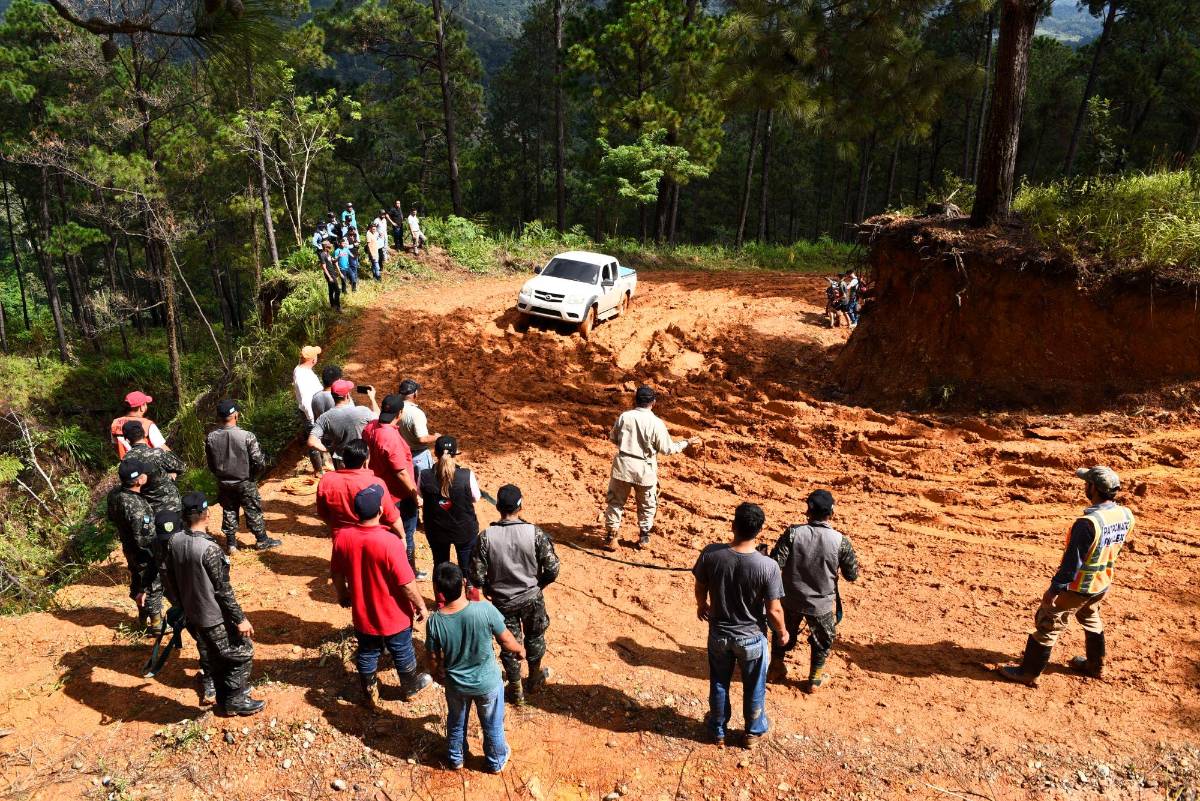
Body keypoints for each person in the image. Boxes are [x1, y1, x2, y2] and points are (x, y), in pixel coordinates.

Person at [999, 466, 1135, 686]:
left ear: (1094, 488)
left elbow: (1072, 564)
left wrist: (1053, 590)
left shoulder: (1087, 524)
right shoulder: (1125, 515)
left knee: (1048, 623)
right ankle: (1095, 665)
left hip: (1078, 587)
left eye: (1087, 483)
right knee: (1091, 617)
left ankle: (1028, 673)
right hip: (1102, 583)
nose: (1084, 486)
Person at [158, 492, 265, 716]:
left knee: (213, 655)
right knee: (242, 653)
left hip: (191, 613)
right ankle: (236, 698)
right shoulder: (210, 549)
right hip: (213, 615)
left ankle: (224, 698)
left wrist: (179, 603)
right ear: (207, 515)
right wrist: (241, 619)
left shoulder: (174, 541)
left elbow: (167, 576)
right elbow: (223, 590)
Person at [692, 502, 788, 748]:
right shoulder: (768, 566)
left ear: (733, 526)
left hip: (719, 635)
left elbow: (700, 584)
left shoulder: (711, 554)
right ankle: (752, 732)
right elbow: (774, 609)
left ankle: (717, 730)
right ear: (759, 531)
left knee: (719, 681)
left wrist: (702, 604)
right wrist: (782, 631)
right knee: (754, 685)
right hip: (752, 638)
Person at [332, 484, 433, 710]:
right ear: (380, 510)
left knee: (367, 652)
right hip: (393, 614)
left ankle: (369, 691)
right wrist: (421, 606)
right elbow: (406, 584)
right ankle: (410, 687)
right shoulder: (390, 542)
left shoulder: (342, 538)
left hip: (364, 614)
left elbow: (337, 573)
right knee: (402, 649)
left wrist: (343, 595)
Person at [426, 562, 525, 773]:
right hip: (487, 683)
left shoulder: (435, 621)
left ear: (437, 589)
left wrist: (436, 673)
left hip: (456, 686)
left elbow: (432, 656)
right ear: (463, 583)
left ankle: (456, 758)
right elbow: (506, 639)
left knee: (456, 722)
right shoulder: (485, 609)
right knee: (492, 725)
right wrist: (520, 650)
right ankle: (496, 761)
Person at [469, 484, 560, 705]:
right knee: (535, 637)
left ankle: (516, 688)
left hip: (502, 602)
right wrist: (539, 585)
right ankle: (535, 677)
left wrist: (489, 590)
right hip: (531, 598)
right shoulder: (535, 533)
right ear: (520, 506)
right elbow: (552, 568)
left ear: (498, 507)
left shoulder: (486, 537)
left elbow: (477, 576)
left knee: (509, 644)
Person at [768, 489, 859, 692]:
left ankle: (775, 668)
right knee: (822, 641)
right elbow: (852, 575)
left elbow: (775, 564)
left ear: (808, 512)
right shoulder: (841, 541)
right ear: (831, 513)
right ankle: (814, 679)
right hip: (821, 605)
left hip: (790, 599)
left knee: (781, 632)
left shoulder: (793, 533)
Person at [604, 386, 696, 550]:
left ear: (635, 400)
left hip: (623, 465)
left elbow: (613, 438)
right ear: (653, 402)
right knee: (647, 504)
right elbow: (667, 449)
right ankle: (644, 537)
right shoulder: (656, 423)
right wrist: (686, 443)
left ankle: (611, 536)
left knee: (615, 502)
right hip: (645, 469)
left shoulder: (625, 416)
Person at [205, 400, 281, 554]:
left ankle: (231, 544)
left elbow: (211, 464)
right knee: (253, 509)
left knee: (229, 510)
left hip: (224, 481)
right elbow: (259, 461)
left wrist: (220, 475)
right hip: (245, 480)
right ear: (235, 415)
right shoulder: (247, 436)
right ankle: (261, 540)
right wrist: (253, 476)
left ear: (219, 417)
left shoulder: (211, 437)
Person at [362, 395, 426, 579]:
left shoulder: (371, 427)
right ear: (400, 413)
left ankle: (385, 569)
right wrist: (415, 494)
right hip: (399, 494)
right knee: (406, 533)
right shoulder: (390, 437)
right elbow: (401, 472)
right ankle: (408, 572)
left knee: (386, 532)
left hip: (380, 489)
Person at [106, 459, 162, 629]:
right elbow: (145, 539)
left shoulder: (115, 494)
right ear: (139, 480)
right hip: (142, 551)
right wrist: (156, 553)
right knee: (151, 584)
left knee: (137, 580)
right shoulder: (137, 506)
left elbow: (110, 517)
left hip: (128, 547)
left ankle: (142, 619)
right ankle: (156, 624)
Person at [316, 439, 408, 540]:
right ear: (366, 460)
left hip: (341, 538)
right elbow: (392, 517)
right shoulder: (375, 483)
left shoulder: (326, 480)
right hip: (370, 539)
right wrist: (402, 537)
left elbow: (323, 513)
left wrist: (335, 529)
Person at [419, 436, 481, 573]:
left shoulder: (424, 475)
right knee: (469, 569)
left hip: (436, 530)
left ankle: (441, 594)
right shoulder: (466, 475)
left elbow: (422, 495)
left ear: (435, 453)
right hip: (464, 529)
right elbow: (476, 498)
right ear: (455, 454)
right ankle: (470, 591)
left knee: (440, 567)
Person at [308, 379, 379, 469]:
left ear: (333, 396)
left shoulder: (324, 418)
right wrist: (372, 398)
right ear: (347, 396)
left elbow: (311, 442)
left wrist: (328, 449)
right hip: (362, 459)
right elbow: (378, 417)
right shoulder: (362, 411)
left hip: (342, 462)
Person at [121, 420, 187, 514]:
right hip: (170, 505)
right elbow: (181, 467)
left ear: (127, 440)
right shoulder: (156, 453)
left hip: (147, 509)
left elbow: (130, 484)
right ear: (144, 434)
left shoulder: (126, 460)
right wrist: (169, 476)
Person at [292, 345, 326, 475]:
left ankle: (322, 465)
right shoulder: (302, 376)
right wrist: (311, 419)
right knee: (314, 440)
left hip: (313, 411)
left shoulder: (302, 370)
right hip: (310, 414)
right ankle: (319, 470)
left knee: (318, 438)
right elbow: (306, 400)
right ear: (312, 360)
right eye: (316, 356)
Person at [398, 379, 440, 475]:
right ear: (415, 394)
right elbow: (422, 439)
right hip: (418, 456)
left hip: (402, 454)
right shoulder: (416, 413)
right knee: (424, 484)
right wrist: (436, 437)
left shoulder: (395, 408)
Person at [110, 390, 168, 458]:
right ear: (142, 407)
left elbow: (116, 446)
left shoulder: (115, 423)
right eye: (146, 404)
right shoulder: (148, 424)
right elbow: (164, 450)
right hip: (147, 466)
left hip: (126, 465)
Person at [319, 240, 341, 311]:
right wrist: (329, 277)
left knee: (331, 290)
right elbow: (324, 268)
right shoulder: (322, 255)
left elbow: (333, 261)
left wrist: (338, 257)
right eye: (329, 246)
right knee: (337, 290)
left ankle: (332, 305)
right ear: (325, 247)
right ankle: (338, 307)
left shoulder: (328, 254)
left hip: (332, 274)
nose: (330, 247)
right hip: (330, 275)